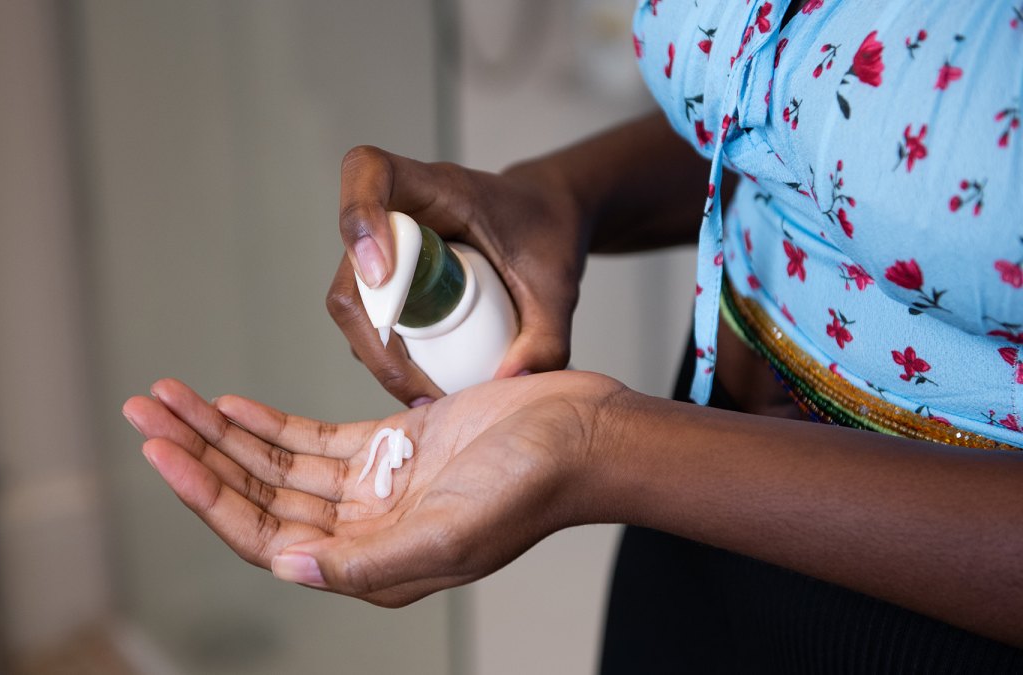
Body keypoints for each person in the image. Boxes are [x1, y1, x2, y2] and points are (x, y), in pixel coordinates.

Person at [123, 1, 1023, 671]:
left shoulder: (619, 452)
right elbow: (825, 117)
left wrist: (604, 449)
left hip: (944, 603)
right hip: (696, 512)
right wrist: (562, 190)